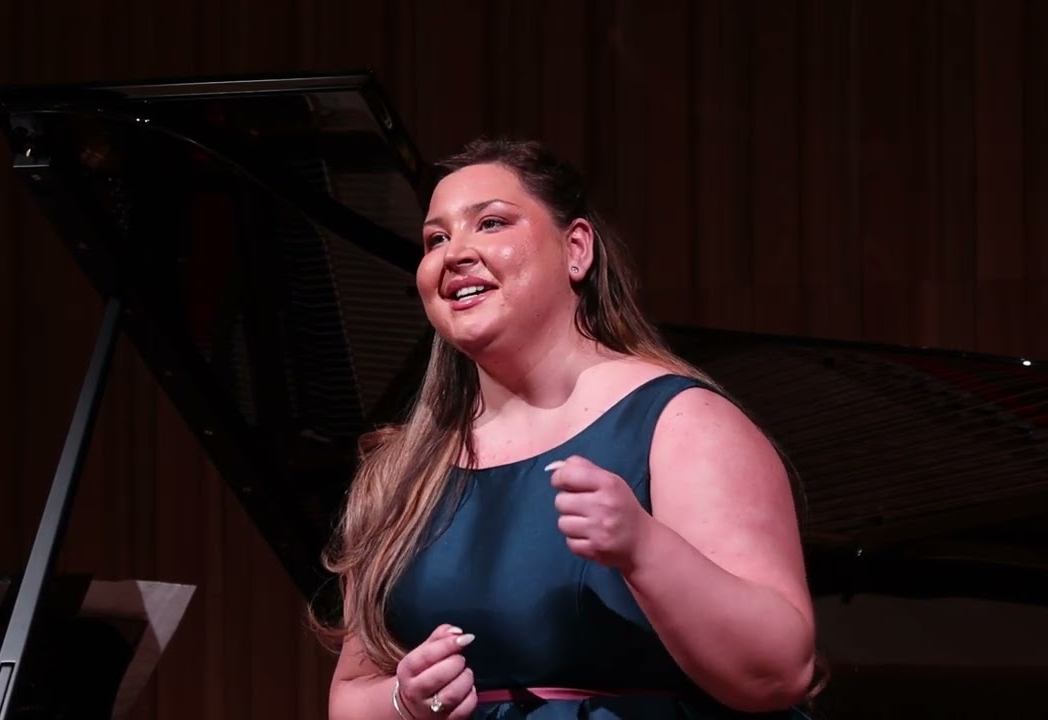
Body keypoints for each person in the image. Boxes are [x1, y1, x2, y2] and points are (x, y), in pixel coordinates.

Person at [315, 138, 820, 719]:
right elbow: (351, 698)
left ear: (576, 249)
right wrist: (406, 700)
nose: (455, 253)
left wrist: (643, 548)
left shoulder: (681, 422)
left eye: (491, 223)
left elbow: (779, 670)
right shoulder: (399, 473)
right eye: (436, 239)